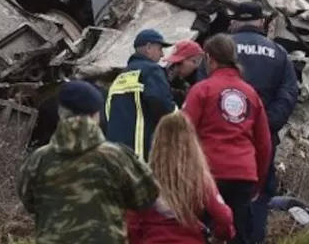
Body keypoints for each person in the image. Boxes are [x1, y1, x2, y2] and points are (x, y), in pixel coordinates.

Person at [18, 80, 159, 244]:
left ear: (61, 112)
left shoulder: (38, 159)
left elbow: (29, 202)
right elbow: (147, 197)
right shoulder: (117, 157)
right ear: (96, 115)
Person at [182, 34, 271, 244]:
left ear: (209, 58)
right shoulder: (251, 94)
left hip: (207, 174)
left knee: (198, 234)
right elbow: (264, 143)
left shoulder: (201, 90)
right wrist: (258, 181)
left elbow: (183, 133)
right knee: (238, 235)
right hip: (243, 175)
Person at [228, 1, 299, 244]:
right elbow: (289, 93)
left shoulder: (219, 50)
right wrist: (266, 124)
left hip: (225, 137)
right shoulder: (278, 52)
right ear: (261, 22)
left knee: (223, 191)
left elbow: (204, 88)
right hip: (263, 139)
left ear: (235, 21)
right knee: (259, 193)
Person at [127, 111, 236, 244]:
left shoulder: (143, 182)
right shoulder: (199, 180)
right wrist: (219, 237)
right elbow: (224, 217)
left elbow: (131, 225)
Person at [105, 29, 178, 160]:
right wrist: (179, 114)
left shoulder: (121, 76)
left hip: (117, 153)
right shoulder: (151, 70)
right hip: (140, 153)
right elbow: (162, 104)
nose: (162, 55)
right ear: (149, 47)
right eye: (160, 49)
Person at [164, 39, 206, 105]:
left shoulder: (201, 83)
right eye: (173, 63)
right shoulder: (164, 75)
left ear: (195, 61)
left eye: (178, 63)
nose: (175, 68)